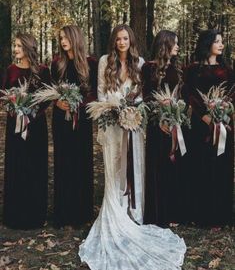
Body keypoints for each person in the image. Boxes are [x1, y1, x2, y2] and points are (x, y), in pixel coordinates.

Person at [79, 24, 186, 270]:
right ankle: (115, 213)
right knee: (114, 167)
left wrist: (132, 110)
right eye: (118, 38)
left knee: (134, 167)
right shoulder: (105, 61)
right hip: (111, 124)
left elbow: (142, 95)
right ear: (114, 42)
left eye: (125, 38)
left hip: (133, 125)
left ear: (131, 40)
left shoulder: (140, 63)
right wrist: (114, 109)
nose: (122, 42)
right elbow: (100, 94)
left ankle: (134, 213)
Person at [183, 29, 234, 227]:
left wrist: (222, 112)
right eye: (217, 41)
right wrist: (205, 116)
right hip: (200, 126)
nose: (221, 45)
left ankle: (220, 214)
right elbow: (189, 94)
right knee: (200, 166)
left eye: (222, 41)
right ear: (207, 44)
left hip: (223, 125)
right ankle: (200, 213)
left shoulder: (228, 70)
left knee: (221, 167)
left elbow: (232, 93)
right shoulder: (192, 69)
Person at [142, 30, 190, 227]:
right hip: (156, 125)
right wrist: (159, 116)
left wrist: (175, 115)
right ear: (165, 44)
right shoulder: (148, 68)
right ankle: (156, 213)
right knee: (158, 166)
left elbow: (182, 97)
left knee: (174, 166)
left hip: (175, 125)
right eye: (175, 43)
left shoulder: (178, 70)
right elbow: (146, 96)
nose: (178, 47)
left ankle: (172, 212)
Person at [51, 25, 97, 228]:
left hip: (82, 121)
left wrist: (79, 103)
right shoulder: (56, 64)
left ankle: (81, 212)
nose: (62, 41)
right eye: (60, 38)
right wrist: (57, 102)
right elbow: (50, 90)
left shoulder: (90, 64)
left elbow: (95, 93)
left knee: (81, 161)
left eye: (66, 38)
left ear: (75, 38)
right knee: (63, 162)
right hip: (61, 120)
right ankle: (63, 212)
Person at [3, 33, 50, 229]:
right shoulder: (10, 70)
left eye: (19, 46)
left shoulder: (43, 71)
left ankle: (35, 213)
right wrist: (15, 108)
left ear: (29, 48)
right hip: (15, 126)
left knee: (35, 166)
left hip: (36, 126)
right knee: (17, 165)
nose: (15, 50)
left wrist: (31, 112)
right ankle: (15, 214)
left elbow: (47, 98)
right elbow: (4, 94)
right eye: (15, 46)